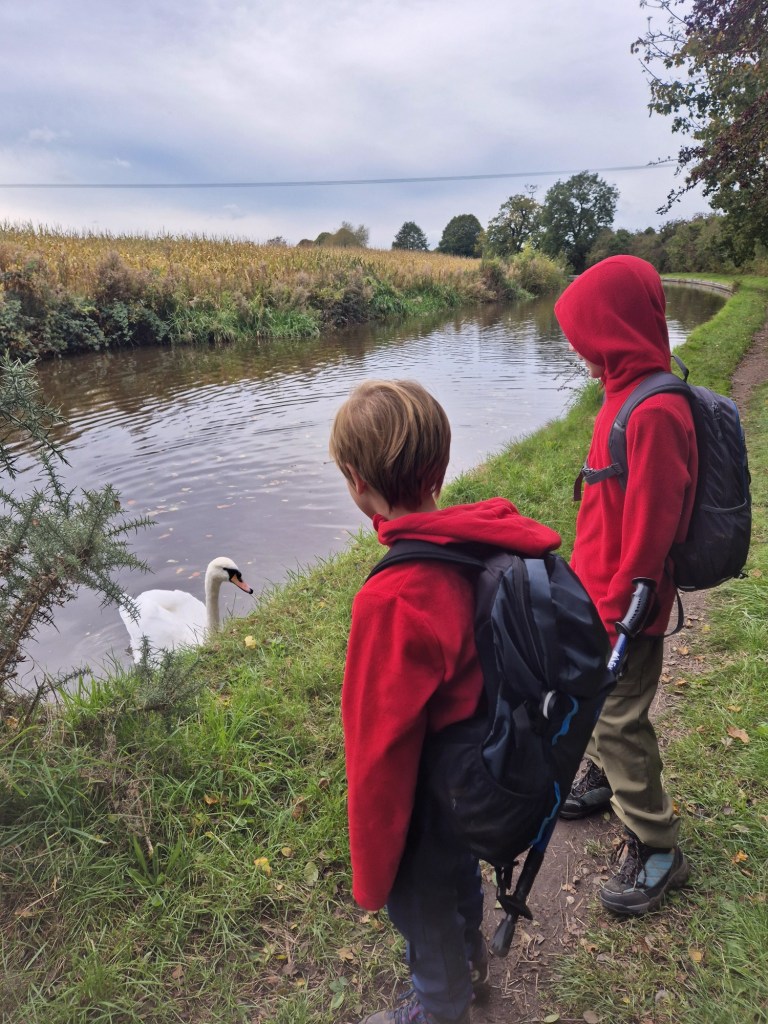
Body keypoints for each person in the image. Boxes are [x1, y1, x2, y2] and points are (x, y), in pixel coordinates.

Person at [328, 379, 561, 1024]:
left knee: (421, 901)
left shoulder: (391, 598)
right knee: (458, 879)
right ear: (442, 465)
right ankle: (470, 964)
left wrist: (377, 869)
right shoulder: (483, 543)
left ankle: (442, 1006)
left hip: (429, 794)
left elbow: (379, 745)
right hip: (480, 768)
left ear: (355, 480)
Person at [554, 254, 697, 916]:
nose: (578, 350)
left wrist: (623, 613)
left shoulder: (657, 409)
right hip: (597, 596)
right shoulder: (620, 391)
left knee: (618, 721)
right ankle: (609, 781)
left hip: (626, 611)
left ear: (614, 329)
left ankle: (658, 846)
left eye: (584, 338)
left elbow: (649, 532)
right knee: (594, 705)